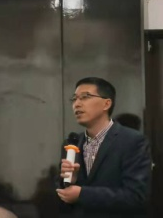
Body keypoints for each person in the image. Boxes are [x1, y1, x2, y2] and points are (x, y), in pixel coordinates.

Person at [57, 77, 151, 217]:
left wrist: (82, 194)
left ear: (106, 104)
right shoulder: (72, 142)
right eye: (74, 99)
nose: (77, 104)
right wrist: (70, 181)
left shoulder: (132, 141)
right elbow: (63, 195)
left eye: (85, 97)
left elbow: (136, 196)